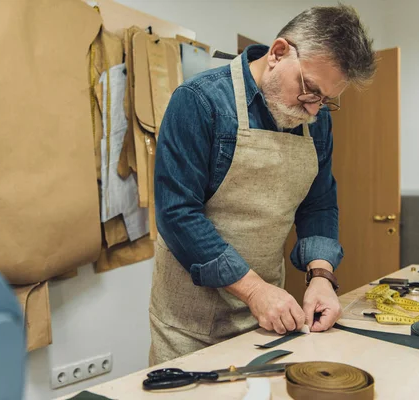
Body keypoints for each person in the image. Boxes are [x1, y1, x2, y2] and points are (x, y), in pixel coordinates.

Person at [149, 4, 376, 365]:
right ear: (278, 52)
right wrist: (253, 290)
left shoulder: (315, 121)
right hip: (190, 324)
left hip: (268, 316)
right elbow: (177, 214)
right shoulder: (199, 101)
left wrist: (321, 275)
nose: (314, 110)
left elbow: (317, 203)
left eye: (325, 101)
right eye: (309, 90)